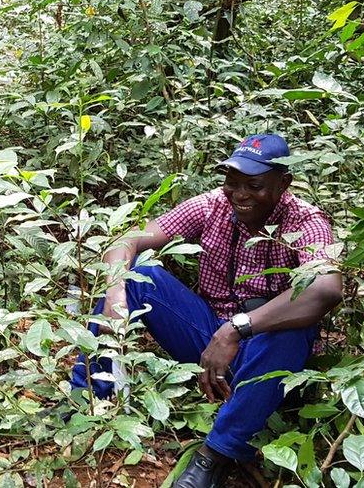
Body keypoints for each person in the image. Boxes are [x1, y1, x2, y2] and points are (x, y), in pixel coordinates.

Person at [70, 134, 343, 487]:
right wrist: (115, 294)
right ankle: (85, 398)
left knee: (293, 327)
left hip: (265, 353)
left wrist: (236, 329)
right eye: (232, 183)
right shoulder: (213, 205)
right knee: (137, 273)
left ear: (283, 183)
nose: (240, 194)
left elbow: (326, 288)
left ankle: (216, 454)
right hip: (206, 335)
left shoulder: (306, 222)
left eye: (254, 185)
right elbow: (127, 240)